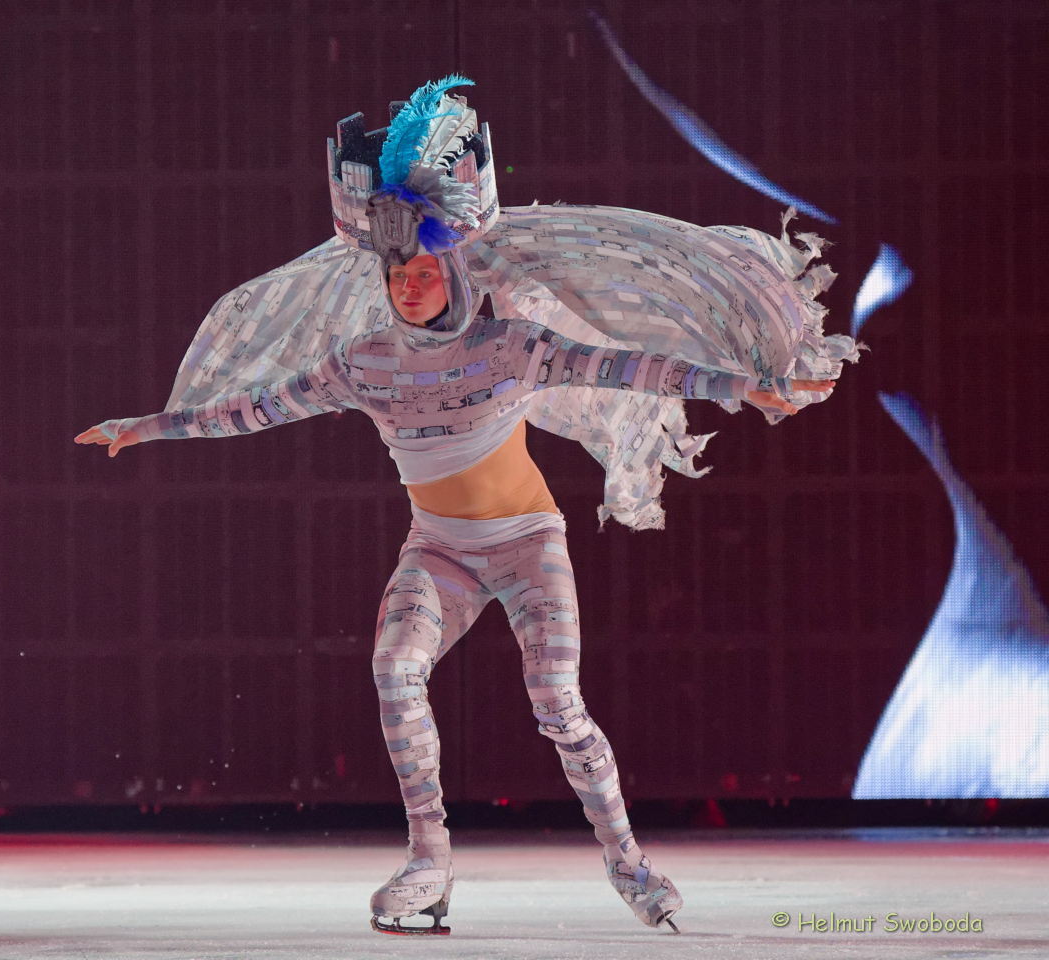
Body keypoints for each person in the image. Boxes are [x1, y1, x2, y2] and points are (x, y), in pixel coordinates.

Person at [75, 76, 850, 936]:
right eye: (396, 274)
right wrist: (149, 427)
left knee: (557, 704)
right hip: (438, 551)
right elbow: (257, 408)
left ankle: (630, 865)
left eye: (422, 272)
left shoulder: (514, 347)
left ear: (451, 269)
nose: (409, 286)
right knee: (393, 670)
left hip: (527, 548)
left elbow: (636, 368)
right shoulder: (364, 362)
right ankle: (428, 861)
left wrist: (745, 387)